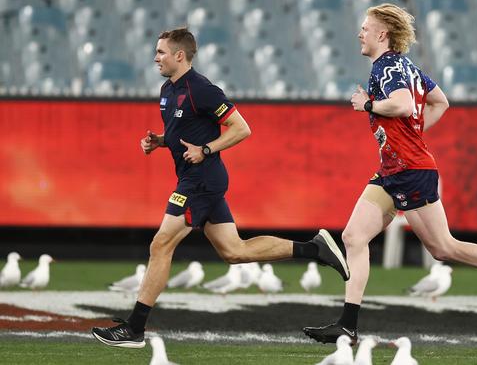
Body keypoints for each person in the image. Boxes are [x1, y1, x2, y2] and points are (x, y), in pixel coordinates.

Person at [302, 4, 477, 345]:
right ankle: (347, 324)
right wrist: (412, 138)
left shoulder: (386, 66)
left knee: (444, 248)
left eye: (365, 28)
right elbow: (440, 101)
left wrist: (369, 105)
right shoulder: (405, 65)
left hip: (410, 172)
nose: (360, 33)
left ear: (382, 34)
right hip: (394, 170)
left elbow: (402, 105)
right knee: (353, 237)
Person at [91, 27, 349, 348]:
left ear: (179, 55)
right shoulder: (167, 90)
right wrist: (161, 141)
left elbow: (242, 128)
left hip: (200, 180)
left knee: (161, 245)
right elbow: (184, 129)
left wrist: (207, 149)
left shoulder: (203, 89)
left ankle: (135, 328)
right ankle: (315, 249)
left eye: (161, 52)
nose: (155, 57)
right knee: (234, 252)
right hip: (197, 179)